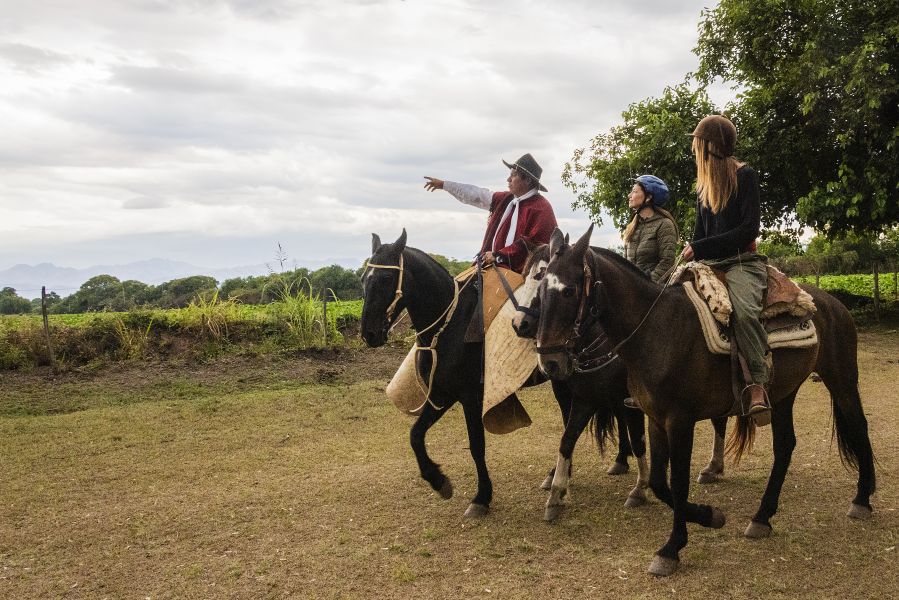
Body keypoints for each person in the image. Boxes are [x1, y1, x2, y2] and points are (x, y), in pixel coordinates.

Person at [681, 115, 771, 426]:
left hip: (742, 263)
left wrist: (702, 248)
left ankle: (758, 384)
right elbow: (699, 233)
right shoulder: (702, 186)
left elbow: (749, 229)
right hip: (709, 263)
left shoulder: (745, 176)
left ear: (714, 146)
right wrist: (692, 251)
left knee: (744, 313)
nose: (696, 149)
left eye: (699, 143)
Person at [423, 153, 557, 274]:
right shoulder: (506, 199)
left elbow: (536, 244)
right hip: (491, 266)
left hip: (523, 275)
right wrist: (445, 185)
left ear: (527, 180)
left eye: (514, 175)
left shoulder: (542, 208)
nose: (508, 179)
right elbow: (477, 195)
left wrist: (500, 255)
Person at [623, 174, 678, 283]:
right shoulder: (631, 227)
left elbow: (667, 262)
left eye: (634, 191)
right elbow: (625, 263)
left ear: (648, 197)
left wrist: (646, 284)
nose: (629, 195)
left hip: (654, 291)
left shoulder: (664, 224)